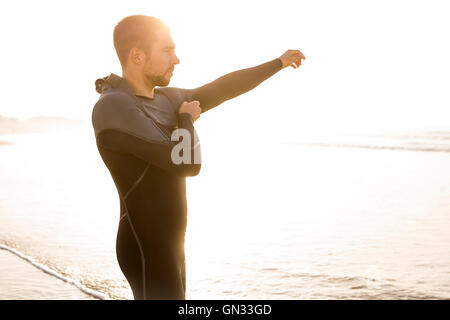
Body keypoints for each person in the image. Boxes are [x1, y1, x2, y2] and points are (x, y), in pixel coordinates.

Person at [91, 15, 305, 300]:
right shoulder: (114, 106)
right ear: (137, 56)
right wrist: (185, 120)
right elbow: (186, 165)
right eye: (167, 51)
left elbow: (220, 89)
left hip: (171, 246)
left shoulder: (165, 99)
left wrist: (276, 64)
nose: (176, 59)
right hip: (145, 245)